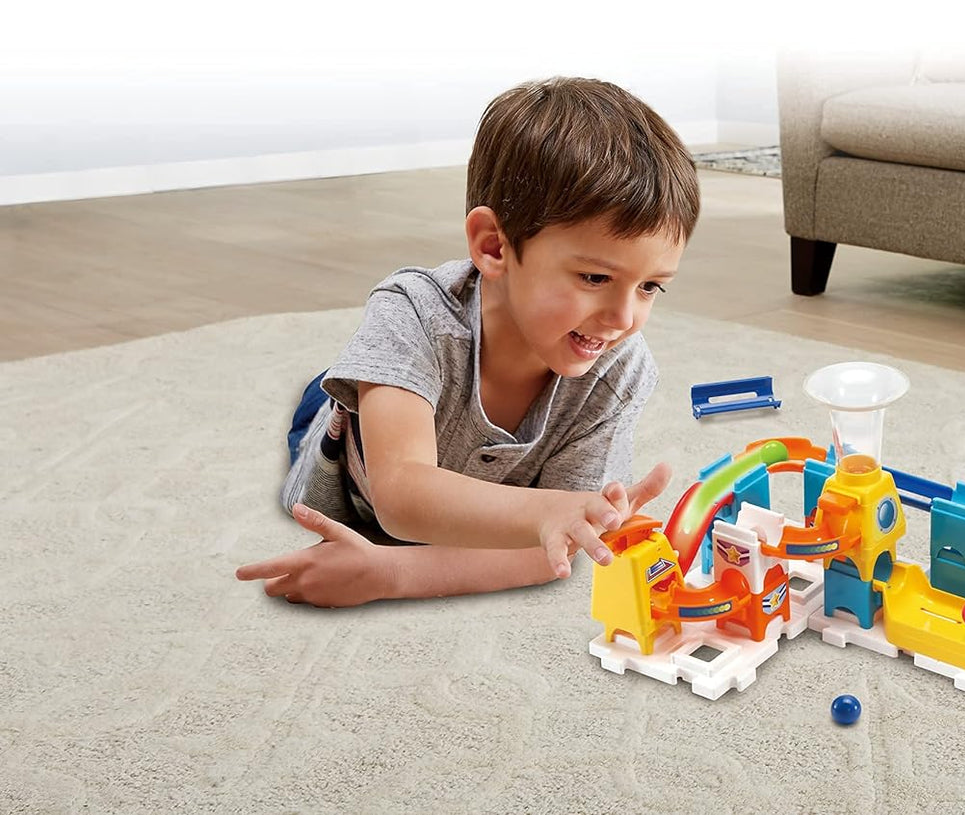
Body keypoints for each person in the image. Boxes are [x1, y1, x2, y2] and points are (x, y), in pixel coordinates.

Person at [235, 77, 700, 607]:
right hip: (347, 451)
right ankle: (349, 384)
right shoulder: (413, 311)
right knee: (349, 392)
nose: (622, 318)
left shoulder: (620, 369)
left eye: (650, 287)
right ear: (493, 246)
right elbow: (401, 496)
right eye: (595, 278)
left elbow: (554, 549)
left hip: (455, 442)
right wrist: (548, 511)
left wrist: (390, 573)